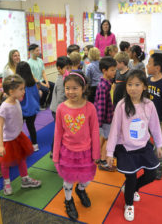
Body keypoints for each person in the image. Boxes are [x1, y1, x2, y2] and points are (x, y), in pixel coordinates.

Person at [106, 69, 162, 222]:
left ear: (144, 86)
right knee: (130, 177)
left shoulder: (148, 105)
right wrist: (110, 152)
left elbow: (155, 125)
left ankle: (133, 189)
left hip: (143, 146)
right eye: (130, 84)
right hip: (125, 148)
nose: (133, 88)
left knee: (151, 174)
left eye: (137, 84)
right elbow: (114, 129)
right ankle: (129, 203)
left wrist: (158, 144)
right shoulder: (121, 105)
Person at [53, 71, 100, 221]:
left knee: (86, 179)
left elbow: (94, 131)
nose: (71, 92)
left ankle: (80, 190)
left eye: (75, 88)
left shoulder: (90, 107)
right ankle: (68, 200)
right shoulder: (61, 108)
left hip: (86, 151)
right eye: (67, 88)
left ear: (83, 88)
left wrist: (96, 153)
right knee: (68, 180)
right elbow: (58, 132)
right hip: (67, 152)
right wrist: (55, 155)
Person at [0, 75, 41, 195]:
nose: (24, 91)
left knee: (21, 158)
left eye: (23, 88)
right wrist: (0, 145)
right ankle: (7, 183)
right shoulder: (4, 107)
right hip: (6, 140)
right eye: (21, 89)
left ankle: (25, 179)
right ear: (11, 91)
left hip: (17, 136)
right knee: (5, 162)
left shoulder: (16, 100)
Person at [146, 53, 162, 180]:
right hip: (147, 119)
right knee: (145, 140)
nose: (147, 65)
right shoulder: (147, 80)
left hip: (160, 120)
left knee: (159, 143)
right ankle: (147, 160)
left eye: (149, 63)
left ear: (157, 68)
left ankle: (159, 166)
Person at [94, 57, 117, 171]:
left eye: (115, 70)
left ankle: (97, 157)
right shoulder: (104, 86)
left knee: (104, 137)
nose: (115, 72)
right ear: (104, 70)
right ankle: (103, 162)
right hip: (105, 119)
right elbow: (101, 106)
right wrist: (99, 122)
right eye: (112, 70)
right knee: (108, 139)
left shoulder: (106, 83)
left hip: (106, 118)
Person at [50, 56, 72, 157]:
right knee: (59, 131)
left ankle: (55, 150)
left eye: (70, 68)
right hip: (58, 110)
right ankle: (54, 151)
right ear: (59, 68)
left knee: (60, 131)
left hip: (59, 109)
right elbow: (60, 99)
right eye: (67, 68)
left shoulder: (64, 77)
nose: (69, 70)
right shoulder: (61, 80)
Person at [16, 61, 41, 152]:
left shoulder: (19, 85)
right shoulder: (33, 83)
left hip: (21, 109)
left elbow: (18, 98)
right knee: (31, 127)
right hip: (32, 109)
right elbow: (37, 95)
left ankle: (20, 145)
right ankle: (35, 145)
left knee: (18, 128)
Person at [27, 44, 55, 109]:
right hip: (35, 82)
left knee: (54, 86)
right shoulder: (29, 63)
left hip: (42, 80)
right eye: (37, 50)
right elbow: (33, 77)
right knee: (46, 90)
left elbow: (43, 72)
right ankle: (41, 104)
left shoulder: (40, 60)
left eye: (38, 50)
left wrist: (47, 82)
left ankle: (48, 102)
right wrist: (43, 84)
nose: (39, 52)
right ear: (31, 52)